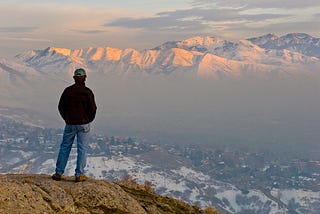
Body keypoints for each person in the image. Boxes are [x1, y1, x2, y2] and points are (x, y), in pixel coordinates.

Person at [52, 68, 97, 182]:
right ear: (85, 78)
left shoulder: (68, 91)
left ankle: (58, 172)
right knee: (82, 148)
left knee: (65, 147)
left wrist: (66, 118)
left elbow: (61, 106)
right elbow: (93, 108)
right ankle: (79, 174)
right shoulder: (87, 92)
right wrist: (88, 120)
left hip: (70, 123)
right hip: (83, 124)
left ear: (74, 78)